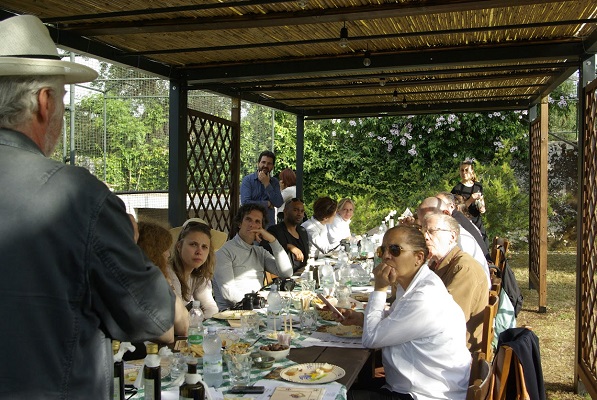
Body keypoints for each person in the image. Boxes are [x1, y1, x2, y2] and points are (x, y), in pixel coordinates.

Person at [0, 15, 188, 398]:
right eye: (64, 104)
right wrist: (127, 243)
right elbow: (157, 318)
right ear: (45, 101)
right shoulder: (76, 196)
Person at [345, 225, 471, 400]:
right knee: (341, 385)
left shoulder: (424, 296)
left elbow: (371, 339)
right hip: (413, 386)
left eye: (395, 250)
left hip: (426, 395)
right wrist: (361, 318)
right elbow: (398, 320)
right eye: (383, 250)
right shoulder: (415, 284)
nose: (386, 256)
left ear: (418, 258)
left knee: (331, 394)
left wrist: (380, 288)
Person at [421, 212, 489, 353]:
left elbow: (445, 322)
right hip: (440, 346)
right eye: (423, 232)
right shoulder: (438, 264)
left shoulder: (464, 268)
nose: (425, 237)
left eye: (432, 231)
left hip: (455, 355)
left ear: (452, 237)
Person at [213, 204, 293, 310]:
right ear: (240, 223)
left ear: (261, 228)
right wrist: (261, 302)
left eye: (257, 222)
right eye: (248, 219)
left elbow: (286, 272)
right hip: (233, 313)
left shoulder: (259, 251)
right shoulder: (225, 252)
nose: (252, 225)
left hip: (257, 308)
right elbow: (229, 293)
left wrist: (273, 241)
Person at [418, 196, 491, 286]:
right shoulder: (457, 227)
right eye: (422, 227)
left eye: (431, 229)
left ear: (446, 214)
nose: (425, 236)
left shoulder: (459, 238)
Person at [168, 220, 219, 318]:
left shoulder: (198, 276)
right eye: (193, 244)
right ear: (179, 246)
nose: (199, 251)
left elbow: (210, 307)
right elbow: (178, 317)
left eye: (204, 247)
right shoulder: (169, 273)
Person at [436, 192, 492, 262]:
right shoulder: (461, 219)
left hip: (477, 268)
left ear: (452, 207)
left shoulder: (453, 225)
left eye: (439, 205)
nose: (435, 209)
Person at [263, 198, 310, 272]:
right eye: (295, 210)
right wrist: (288, 246)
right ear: (285, 211)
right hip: (285, 276)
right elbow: (265, 250)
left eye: (302, 211)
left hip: (303, 273)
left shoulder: (302, 231)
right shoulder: (274, 230)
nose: (299, 214)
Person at [451, 159, 489, 249]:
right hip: (464, 221)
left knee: (485, 242)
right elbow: (457, 211)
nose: (464, 172)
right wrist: (470, 200)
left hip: (477, 220)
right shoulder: (457, 189)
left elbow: (482, 201)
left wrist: (482, 207)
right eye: (462, 170)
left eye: (466, 170)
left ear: (472, 171)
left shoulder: (478, 186)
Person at [240, 150, 284, 228]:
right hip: (251, 225)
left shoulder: (274, 182)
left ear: (273, 166)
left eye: (269, 163)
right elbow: (246, 203)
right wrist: (267, 204)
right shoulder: (248, 180)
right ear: (258, 163)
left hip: (269, 226)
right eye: (263, 162)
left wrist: (267, 184)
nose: (265, 165)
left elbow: (278, 203)